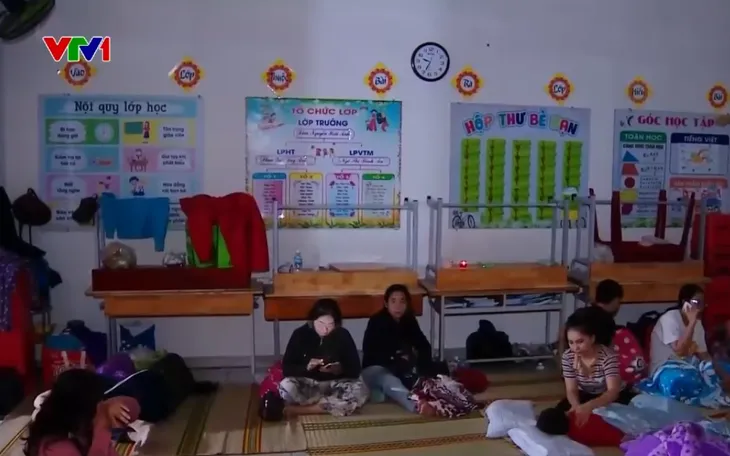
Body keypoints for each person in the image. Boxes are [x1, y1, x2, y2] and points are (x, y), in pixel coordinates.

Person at [278, 298, 368, 417]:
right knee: (286, 386)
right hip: (309, 385)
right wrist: (307, 367)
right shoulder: (300, 334)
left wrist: (339, 369)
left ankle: (305, 409)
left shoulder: (343, 335)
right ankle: (330, 406)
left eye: (330, 325)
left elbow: (355, 369)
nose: (325, 330)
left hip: (335, 385)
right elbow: (287, 368)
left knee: (360, 390)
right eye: (321, 324)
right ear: (312, 320)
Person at [361, 284, 440, 415]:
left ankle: (381, 394)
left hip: (402, 369)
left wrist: (422, 367)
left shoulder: (409, 321)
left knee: (429, 377)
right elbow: (371, 353)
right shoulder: (377, 321)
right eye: (393, 301)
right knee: (391, 381)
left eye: (402, 301)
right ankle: (417, 406)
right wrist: (396, 357)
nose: (398, 306)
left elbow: (424, 346)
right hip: (376, 369)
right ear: (386, 304)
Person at [24, 369, 140, 456]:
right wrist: (102, 428)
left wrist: (110, 407)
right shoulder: (58, 447)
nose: (102, 406)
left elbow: (134, 408)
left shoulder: (83, 427)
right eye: (98, 402)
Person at [555, 308, 634, 426]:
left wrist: (589, 406)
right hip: (585, 394)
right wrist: (576, 406)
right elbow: (571, 389)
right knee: (556, 418)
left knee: (612, 422)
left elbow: (613, 391)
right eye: (571, 342)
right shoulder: (568, 357)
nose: (575, 347)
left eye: (580, 341)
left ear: (592, 338)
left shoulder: (607, 357)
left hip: (609, 397)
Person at [649, 284, 710, 374]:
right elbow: (680, 351)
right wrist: (691, 323)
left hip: (687, 366)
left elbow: (703, 355)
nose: (700, 308)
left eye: (703, 303)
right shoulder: (669, 319)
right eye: (697, 302)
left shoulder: (698, 324)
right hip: (664, 368)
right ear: (685, 303)